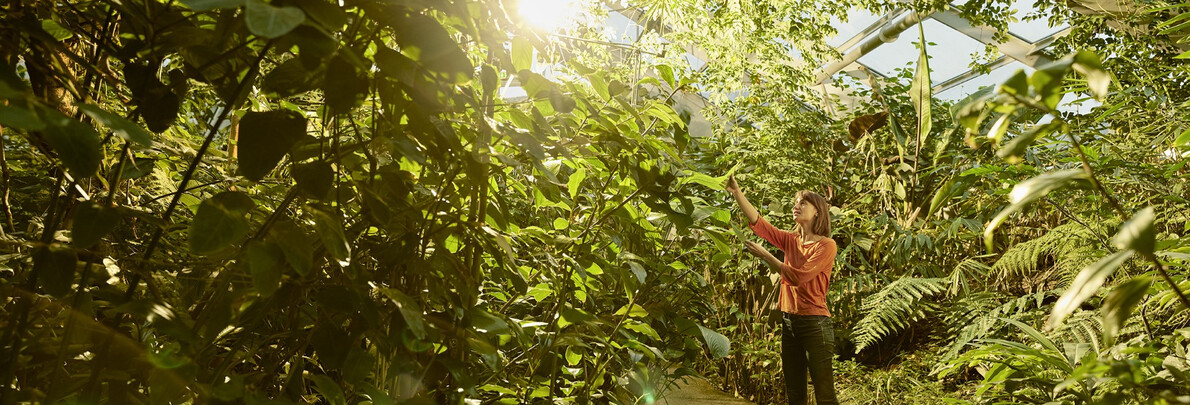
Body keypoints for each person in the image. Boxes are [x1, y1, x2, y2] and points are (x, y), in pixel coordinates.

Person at [724, 174, 838, 405]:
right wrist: (736, 191)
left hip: (815, 324)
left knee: (824, 394)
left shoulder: (826, 245)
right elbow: (760, 224)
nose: (796, 206)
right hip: (790, 323)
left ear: (818, 211)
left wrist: (766, 255)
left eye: (803, 202)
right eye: (795, 202)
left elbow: (799, 277)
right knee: (795, 394)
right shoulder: (791, 240)